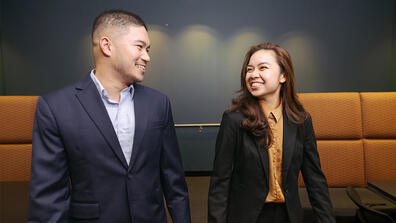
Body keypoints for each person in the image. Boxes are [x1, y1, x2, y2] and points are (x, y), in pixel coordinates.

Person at [27, 9, 191, 223]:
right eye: (139, 46)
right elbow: (48, 199)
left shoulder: (158, 104)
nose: (147, 57)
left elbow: (174, 180)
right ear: (107, 46)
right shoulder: (55, 108)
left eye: (148, 49)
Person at [208, 42, 335, 223]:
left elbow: (315, 180)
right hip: (247, 216)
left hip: (288, 216)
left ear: (283, 75)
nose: (253, 75)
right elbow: (220, 183)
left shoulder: (301, 121)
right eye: (249, 69)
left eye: (262, 68)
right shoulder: (234, 120)